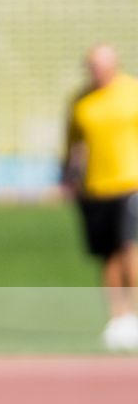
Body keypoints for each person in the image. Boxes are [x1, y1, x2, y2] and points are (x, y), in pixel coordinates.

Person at [63, 43, 138, 350]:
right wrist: (69, 178)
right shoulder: (81, 101)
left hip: (131, 182)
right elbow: (73, 144)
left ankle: (135, 314)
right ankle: (117, 318)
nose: (96, 71)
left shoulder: (132, 92)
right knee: (107, 253)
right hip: (95, 187)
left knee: (130, 247)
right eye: (91, 65)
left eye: (101, 64)